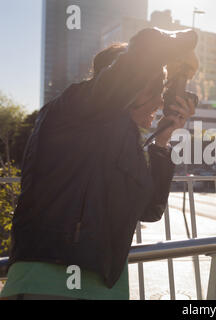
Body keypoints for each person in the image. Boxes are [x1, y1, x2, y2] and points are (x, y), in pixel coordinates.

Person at [0, 28, 198, 300]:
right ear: (124, 84)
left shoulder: (123, 137)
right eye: (154, 89)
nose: (159, 100)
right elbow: (138, 58)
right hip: (51, 280)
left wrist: (162, 140)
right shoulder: (75, 106)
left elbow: (150, 210)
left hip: (104, 284)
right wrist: (181, 42)